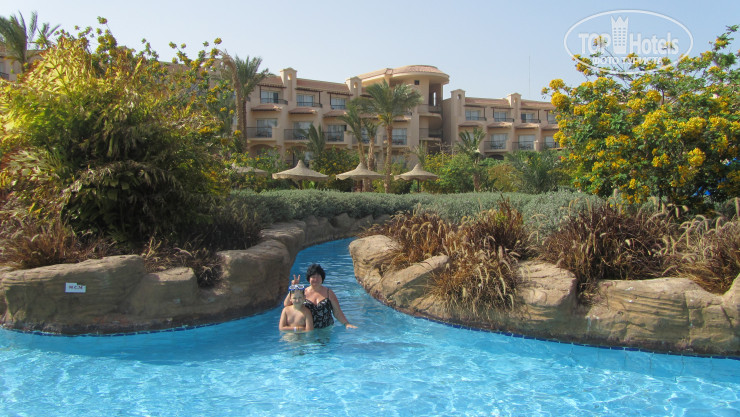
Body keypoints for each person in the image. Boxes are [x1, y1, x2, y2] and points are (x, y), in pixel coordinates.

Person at [284, 263, 357, 329]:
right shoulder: (303, 292)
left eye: (318, 276)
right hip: (308, 329)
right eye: (313, 277)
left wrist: (346, 324)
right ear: (309, 279)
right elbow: (287, 304)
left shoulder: (329, 293)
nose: (316, 279)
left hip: (326, 329)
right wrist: (293, 288)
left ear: (322, 278)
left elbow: (337, 312)